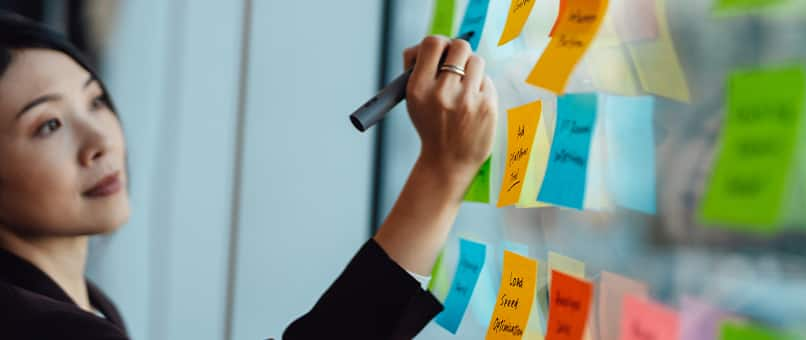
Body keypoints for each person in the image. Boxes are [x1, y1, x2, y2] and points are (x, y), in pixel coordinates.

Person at [0, 11, 497, 339]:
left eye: (95, 100)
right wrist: (443, 172)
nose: (100, 141)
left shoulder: (84, 304)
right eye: (48, 125)